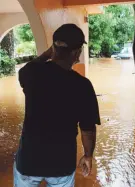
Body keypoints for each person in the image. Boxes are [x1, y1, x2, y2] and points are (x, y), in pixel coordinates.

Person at [14, 24, 101, 187]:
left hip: (28, 161)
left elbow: (30, 66)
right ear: (77, 53)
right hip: (61, 164)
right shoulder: (82, 85)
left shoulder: (31, 73)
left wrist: (49, 52)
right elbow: (88, 129)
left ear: (53, 48)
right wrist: (88, 156)